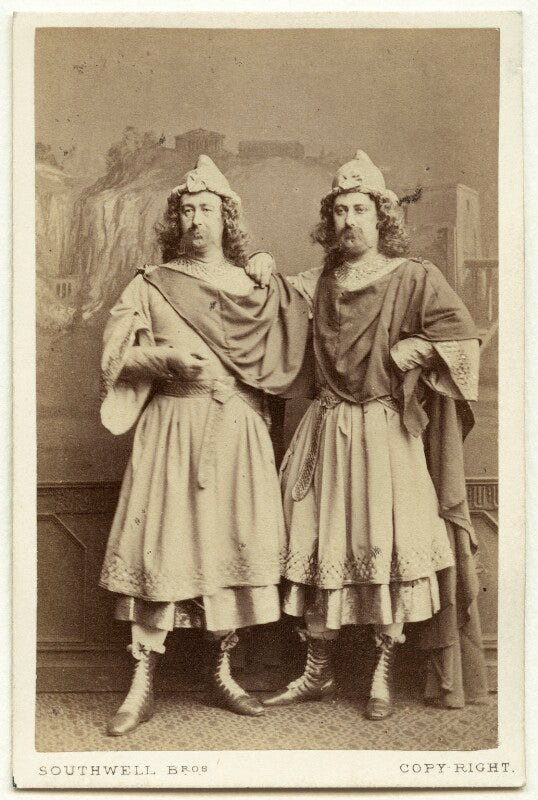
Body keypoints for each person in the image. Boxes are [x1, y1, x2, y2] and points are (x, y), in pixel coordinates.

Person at [247, 150, 488, 719]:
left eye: (359, 209)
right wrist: (259, 262)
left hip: (385, 432)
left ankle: (381, 673)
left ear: (381, 217)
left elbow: (465, 339)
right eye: (339, 211)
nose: (348, 221)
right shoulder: (319, 281)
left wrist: (419, 348)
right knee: (318, 545)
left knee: (388, 548)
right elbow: (273, 299)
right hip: (325, 431)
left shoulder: (413, 276)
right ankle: (317, 672)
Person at [98, 155, 311, 735]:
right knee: (160, 550)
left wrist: (269, 271)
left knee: (226, 548)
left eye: (207, 210)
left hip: (236, 431)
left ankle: (222, 673)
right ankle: (141, 682)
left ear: (226, 219)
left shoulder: (252, 284)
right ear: (177, 220)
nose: (196, 219)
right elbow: (114, 357)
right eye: (187, 210)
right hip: (170, 427)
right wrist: (163, 358)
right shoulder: (150, 283)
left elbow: (304, 324)